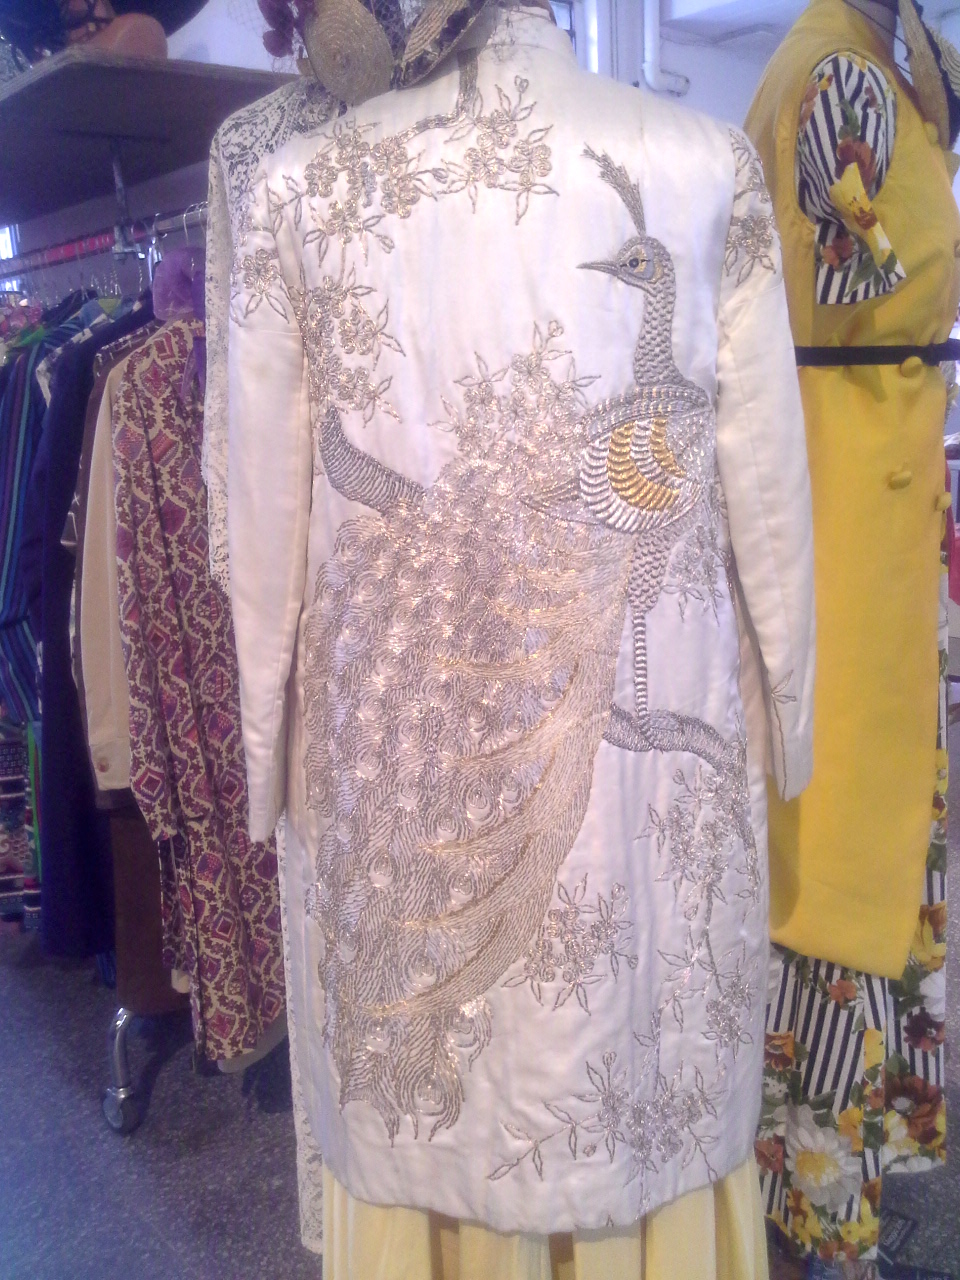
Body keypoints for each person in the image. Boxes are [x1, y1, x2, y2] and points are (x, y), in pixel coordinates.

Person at [218, 1, 816, 1274]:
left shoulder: (296, 189)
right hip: (621, 795)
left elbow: (259, 524)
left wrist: (265, 755)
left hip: (406, 759)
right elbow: (770, 501)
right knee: (635, 1046)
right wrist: (787, 721)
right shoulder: (705, 163)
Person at [746, 3, 959, 1274]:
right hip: (845, 504)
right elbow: (862, 285)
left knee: (850, 835)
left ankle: (845, 1161)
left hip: (866, 486)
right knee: (836, 854)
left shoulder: (873, 61)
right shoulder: (840, 75)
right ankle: (820, 1202)